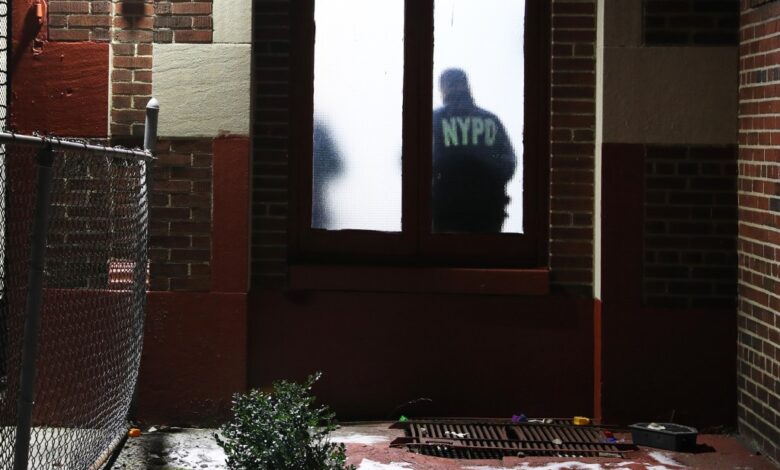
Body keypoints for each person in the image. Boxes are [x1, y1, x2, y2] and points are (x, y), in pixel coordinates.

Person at [431, 68, 516, 233]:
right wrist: (491, 186)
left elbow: (413, 161)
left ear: (443, 89)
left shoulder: (434, 119)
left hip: (445, 209)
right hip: (487, 211)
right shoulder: (490, 119)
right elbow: (509, 161)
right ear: (467, 86)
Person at [312, 122, 343, 229]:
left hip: (316, 204)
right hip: (316, 204)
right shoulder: (320, 132)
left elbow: (337, 166)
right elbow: (337, 166)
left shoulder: (319, 133)